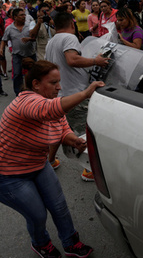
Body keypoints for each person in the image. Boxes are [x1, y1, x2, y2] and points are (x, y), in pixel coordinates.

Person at [0, 60, 102, 258]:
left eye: (59, 82)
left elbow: (61, 124)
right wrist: (84, 94)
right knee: (38, 214)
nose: (59, 87)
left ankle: (70, 242)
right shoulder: (26, 102)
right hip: (6, 175)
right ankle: (40, 242)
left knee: (59, 206)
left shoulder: (51, 100)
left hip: (38, 165)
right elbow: (48, 111)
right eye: (53, 82)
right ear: (36, 84)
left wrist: (71, 138)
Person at [44, 11, 109, 175]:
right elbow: (72, 59)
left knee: (60, 130)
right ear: (72, 24)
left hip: (59, 97)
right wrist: (96, 61)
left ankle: (49, 161)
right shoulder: (69, 38)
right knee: (84, 132)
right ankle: (89, 170)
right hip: (75, 95)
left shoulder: (51, 42)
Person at [0, 8, 36, 96]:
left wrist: (29, 39)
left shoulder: (29, 26)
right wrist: (1, 49)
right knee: (17, 74)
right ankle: (19, 93)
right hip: (17, 55)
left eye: (24, 15)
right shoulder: (9, 28)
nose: (24, 17)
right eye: (21, 15)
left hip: (30, 54)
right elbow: (4, 40)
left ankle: (34, 92)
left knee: (33, 74)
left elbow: (35, 38)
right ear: (15, 17)